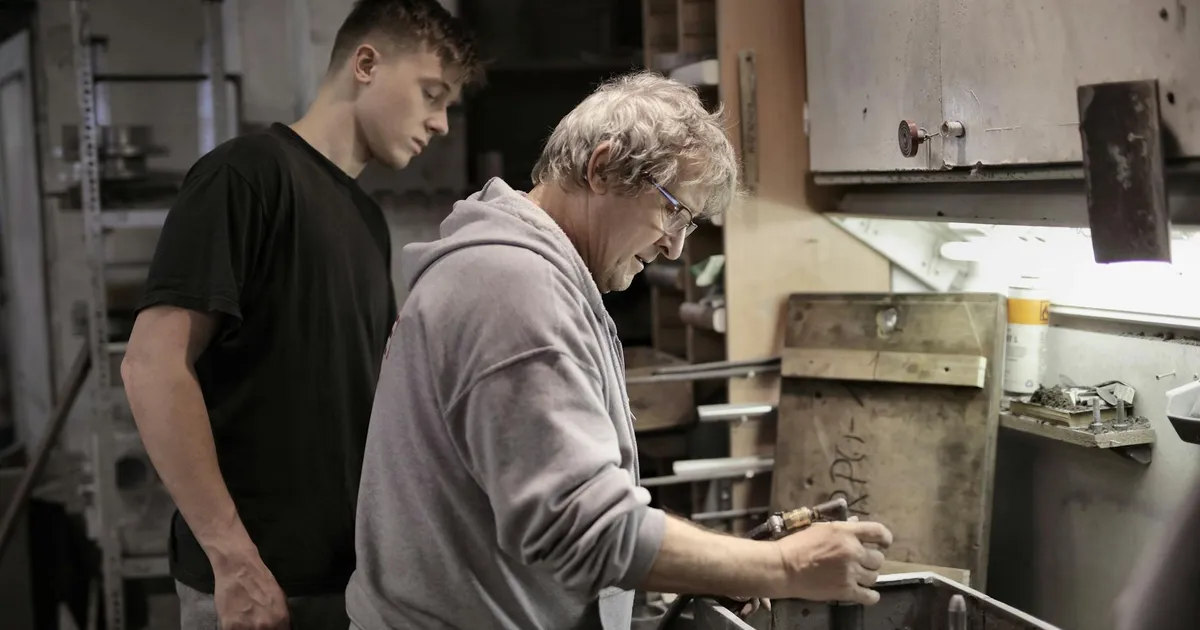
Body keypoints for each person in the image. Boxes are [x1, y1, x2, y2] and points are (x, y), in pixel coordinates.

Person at [344, 71, 894, 630]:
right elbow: (582, 528)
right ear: (602, 167)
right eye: (672, 210)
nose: (676, 246)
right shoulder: (514, 288)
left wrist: (717, 569)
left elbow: (572, 505)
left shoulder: (522, 271)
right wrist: (782, 564)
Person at [120, 2, 481, 629]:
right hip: (255, 591)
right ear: (365, 63)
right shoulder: (247, 174)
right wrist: (234, 562)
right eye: (431, 93)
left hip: (348, 585)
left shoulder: (368, 222)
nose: (442, 123)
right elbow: (152, 366)